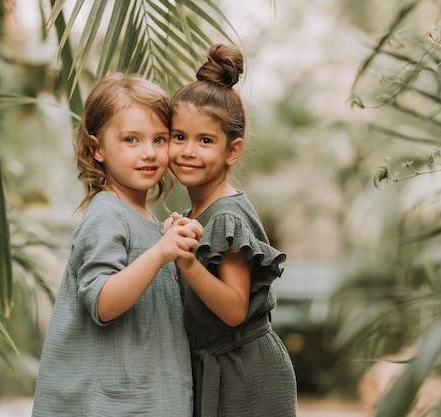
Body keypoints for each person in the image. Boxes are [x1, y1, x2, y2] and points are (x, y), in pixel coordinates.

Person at [31, 72, 203, 417]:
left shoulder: (140, 214)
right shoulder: (106, 214)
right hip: (111, 405)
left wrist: (165, 242)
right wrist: (159, 252)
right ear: (97, 148)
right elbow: (104, 303)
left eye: (159, 139)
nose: (149, 153)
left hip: (141, 399)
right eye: (131, 140)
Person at [167, 44, 298, 416]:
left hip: (246, 376)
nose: (188, 150)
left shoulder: (226, 217)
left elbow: (235, 309)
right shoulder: (196, 212)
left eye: (205, 140)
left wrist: (187, 263)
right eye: (179, 137)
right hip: (217, 370)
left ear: (232, 150)